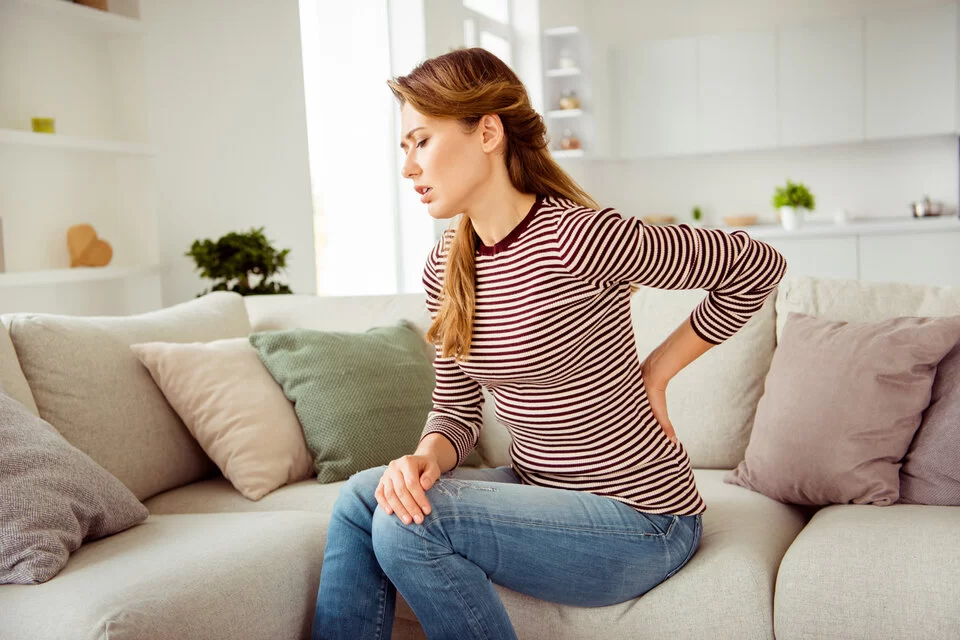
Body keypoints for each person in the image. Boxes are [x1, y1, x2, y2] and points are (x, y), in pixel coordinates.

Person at [312, 47, 787, 640]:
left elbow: (758, 265)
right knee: (366, 499)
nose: (408, 168)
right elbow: (456, 410)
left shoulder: (578, 238)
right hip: (541, 498)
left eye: (422, 141)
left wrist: (658, 371)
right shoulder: (444, 267)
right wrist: (422, 462)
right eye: (403, 148)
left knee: (409, 526)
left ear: (487, 132)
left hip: (642, 520)